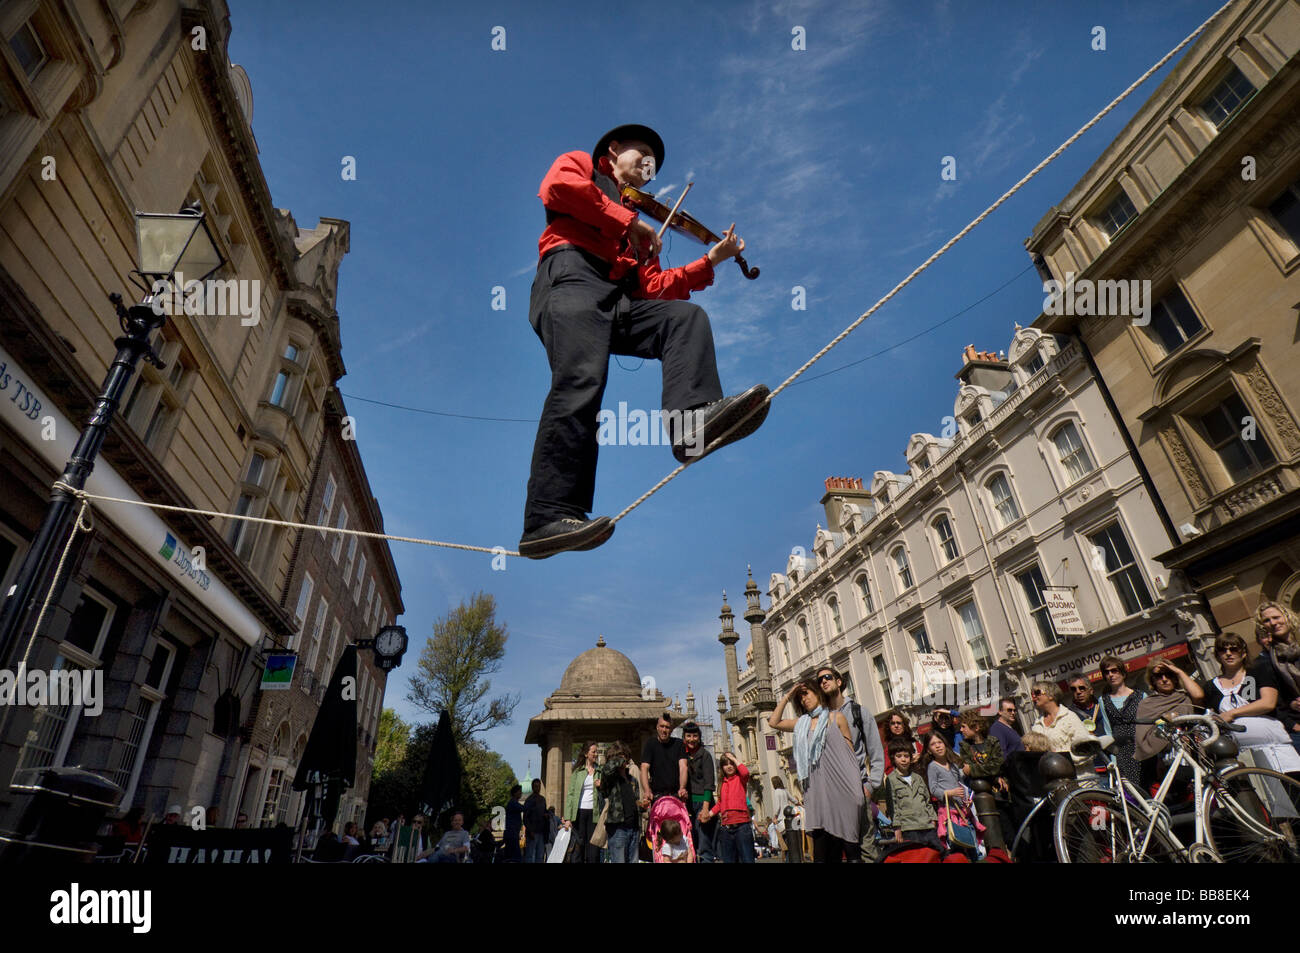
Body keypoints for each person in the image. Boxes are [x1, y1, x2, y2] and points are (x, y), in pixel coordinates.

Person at [519, 123, 770, 559]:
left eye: (652, 167)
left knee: (683, 319)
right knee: (582, 382)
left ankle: (690, 424)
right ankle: (546, 517)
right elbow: (557, 188)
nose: (648, 168)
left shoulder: (638, 233)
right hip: (571, 280)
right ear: (613, 151)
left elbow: (653, 290)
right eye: (643, 156)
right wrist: (626, 220)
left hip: (615, 302)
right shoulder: (582, 166)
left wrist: (709, 260)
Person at [768, 679, 863, 863]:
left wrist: (857, 790)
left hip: (843, 791)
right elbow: (774, 721)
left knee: (852, 852)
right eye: (800, 697)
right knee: (821, 855)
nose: (803, 699)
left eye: (806, 693)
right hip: (817, 794)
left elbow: (851, 755)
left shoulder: (837, 718)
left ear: (818, 693)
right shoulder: (801, 723)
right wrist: (788, 695)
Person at [1186, 633, 1300, 774]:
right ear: (1217, 656)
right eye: (1223, 650)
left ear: (1244, 653)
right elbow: (1200, 704)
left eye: (1234, 649)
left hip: (1276, 749)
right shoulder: (1211, 686)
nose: (1228, 654)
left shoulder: (1255, 673)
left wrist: (1231, 714)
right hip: (1243, 756)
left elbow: (1267, 703)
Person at [815, 665, 885, 861]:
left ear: (839, 682)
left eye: (827, 677)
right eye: (820, 681)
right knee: (834, 853)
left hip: (857, 790)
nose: (823, 682)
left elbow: (876, 754)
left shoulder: (859, 712)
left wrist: (870, 786)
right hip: (830, 796)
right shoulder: (819, 718)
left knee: (866, 849)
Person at [878, 738, 942, 852]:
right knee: (917, 855)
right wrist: (897, 827)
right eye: (899, 756)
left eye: (906, 756)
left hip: (927, 825)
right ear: (893, 758)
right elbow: (893, 804)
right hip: (909, 827)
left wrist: (933, 819)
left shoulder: (917, 777)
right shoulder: (891, 779)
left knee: (937, 853)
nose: (903, 760)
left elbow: (927, 800)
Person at [1255, 600, 1300, 750]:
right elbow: (1275, 700)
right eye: (1267, 620)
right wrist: (1292, 705)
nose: (1273, 623)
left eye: (1276, 617)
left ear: (1286, 616)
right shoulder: (1267, 660)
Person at [1026, 681, 1095, 777]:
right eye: (1032, 694)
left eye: (1037, 693)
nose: (1034, 697)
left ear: (1051, 695)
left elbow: (1086, 751)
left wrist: (1061, 758)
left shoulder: (1069, 717)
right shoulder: (1037, 725)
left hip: (1080, 780)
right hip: (1056, 783)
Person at [924, 731, 976, 857]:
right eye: (933, 744)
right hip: (949, 813)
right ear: (929, 750)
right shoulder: (933, 767)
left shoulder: (953, 765)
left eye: (940, 742)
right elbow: (933, 789)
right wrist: (949, 793)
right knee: (956, 848)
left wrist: (967, 800)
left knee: (972, 846)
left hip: (963, 812)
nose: (937, 746)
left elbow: (960, 785)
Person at [1098, 656, 1145, 783]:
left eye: (1114, 671)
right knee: (1130, 793)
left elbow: (1147, 726)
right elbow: (1108, 730)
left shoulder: (1140, 696)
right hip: (1122, 753)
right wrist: (1113, 760)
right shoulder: (1103, 700)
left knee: (1147, 789)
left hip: (1141, 749)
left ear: (1123, 673)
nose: (1111, 675)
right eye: (1107, 672)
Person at [599, 741, 641, 863]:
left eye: (624, 756)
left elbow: (636, 800)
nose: (622, 760)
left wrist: (642, 805)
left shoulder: (632, 779)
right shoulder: (610, 778)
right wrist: (618, 760)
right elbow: (606, 770)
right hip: (618, 829)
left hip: (633, 828)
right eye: (618, 756)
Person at [681, 722, 717, 863]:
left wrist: (706, 808)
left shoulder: (705, 755)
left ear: (699, 737)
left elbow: (709, 784)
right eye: (688, 736)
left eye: (695, 736)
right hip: (687, 804)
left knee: (704, 844)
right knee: (690, 842)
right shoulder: (682, 755)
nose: (692, 739)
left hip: (703, 803)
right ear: (684, 737)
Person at [709, 751, 754, 863]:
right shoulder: (722, 783)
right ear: (722, 768)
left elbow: (745, 772)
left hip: (742, 826)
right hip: (726, 828)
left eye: (731, 763)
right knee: (729, 860)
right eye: (725, 764)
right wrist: (709, 814)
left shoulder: (740, 779)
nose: (729, 766)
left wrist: (734, 759)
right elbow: (720, 803)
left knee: (747, 859)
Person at [563, 742, 601, 863]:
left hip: (594, 814)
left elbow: (606, 792)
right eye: (593, 751)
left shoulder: (600, 771)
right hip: (579, 813)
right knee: (579, 848)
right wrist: (568, 818)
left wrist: (601, 786)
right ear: (586, 754)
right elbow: (570, 794)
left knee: (593, 850)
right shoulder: (577, 772)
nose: (596, 754)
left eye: (597, 751)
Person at [640, 712, 688, 807]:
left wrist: (682, 788)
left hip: (675, 794)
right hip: (657, 794)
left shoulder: (679, 744)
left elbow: (683, 767)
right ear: (657, 727)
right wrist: (647, 790)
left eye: (667, 727)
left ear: (671, 729)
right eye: (662, 726)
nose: (664, 730)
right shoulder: (650, 744)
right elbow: (644, 767)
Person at [957, 711, 1006, 792]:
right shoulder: (965, 746)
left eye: (963, 726)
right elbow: (967, 770)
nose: (961, 730)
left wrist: (973, 769)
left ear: (976, 727)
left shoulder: (992, 742)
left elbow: (997, 766)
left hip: (1000, 790)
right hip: (981, 792)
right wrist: (993, 775)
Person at [769, 775, 801, 862]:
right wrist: (800, 804)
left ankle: (787, 860)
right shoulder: (785, 791)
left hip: (781, 819)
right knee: (793, 843)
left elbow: (777, 806)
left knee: (785, 845)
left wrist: (774, 816)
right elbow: (793, 800)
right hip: (790, 819)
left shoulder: (776, 792)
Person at [502, 786, 524, 863]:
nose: (521, 793)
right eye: (519, 791)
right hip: (512, 834)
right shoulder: (513, 803)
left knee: (510, 857)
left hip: (512, 833)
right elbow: (524, 808)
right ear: (515, 793)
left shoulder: (513, 803)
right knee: (515, 858)